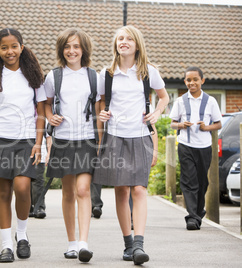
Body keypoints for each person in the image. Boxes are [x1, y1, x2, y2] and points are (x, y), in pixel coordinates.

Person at [93, 25, 168, 265]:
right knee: (122, 191)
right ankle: (127, 243)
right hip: (115, 136)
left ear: (137, 44)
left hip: (140, 136)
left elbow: (164, 96)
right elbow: (100, 103)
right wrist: (101, 114)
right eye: (119, 39)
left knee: (139, 189)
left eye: (128, 39)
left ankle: (139, 244)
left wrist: (156, 112)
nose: (123, 42)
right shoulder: (107, 73)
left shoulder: (149, 71)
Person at [0, 28, 46, 263]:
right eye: (4, 47)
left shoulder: (34, 78)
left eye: (14, 46)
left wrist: (38, 144)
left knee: (23, 186)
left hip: (27, 140)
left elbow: (41, 115)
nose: (10, 51)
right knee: (4, 192)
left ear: (22, 47)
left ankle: (23, 234)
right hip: (0, 139)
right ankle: (7, 245)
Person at [44, 28, 99, 263]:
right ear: (61, 50)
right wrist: (49, 117)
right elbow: (46, 104)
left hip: (87, 138)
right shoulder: (53, 76)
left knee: (83, 190)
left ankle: (84, 242)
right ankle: (72, 244)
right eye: (67, 46)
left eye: (76, 46)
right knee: (67, 192)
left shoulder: (94, 76)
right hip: (63, 139)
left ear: (83, 49)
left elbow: (100, 106)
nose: (71, 50)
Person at [169, 66, 222, 231]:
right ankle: (192, 217)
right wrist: (180, 125)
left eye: (195, 80)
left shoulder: (211, 101)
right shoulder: (180, 101)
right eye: (188, 80)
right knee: (189, 181)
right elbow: (172, 123)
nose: (192, 83)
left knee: (202, 182)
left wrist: (206, 128)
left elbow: (218, 124)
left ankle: (198, 212)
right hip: (185, 145)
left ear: (202, 81)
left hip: (205, 147)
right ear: (185, 82)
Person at [29, 135, 48, 219]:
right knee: (25, 181)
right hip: (22, 151)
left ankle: (39, 207)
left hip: (40, 153)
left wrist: (49, 152)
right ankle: (28, 207)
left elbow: (49, 136)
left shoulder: (43, 121)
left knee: (38, 180)